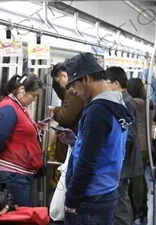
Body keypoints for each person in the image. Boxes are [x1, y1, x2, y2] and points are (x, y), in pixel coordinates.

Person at [58, 52, 133, 225]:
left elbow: (87, 162)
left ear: (87, 79)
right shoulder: (117, 103)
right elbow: (107, 145)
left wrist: (71, 201)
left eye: (75, 85)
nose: (74, 91)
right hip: (108, 190)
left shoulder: (97, 110)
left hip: (91, 197)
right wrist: (77, 141)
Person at [0, 72, 45, 207]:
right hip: (11, 175)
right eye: (34, 95)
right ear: (22, 90)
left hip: (21, 174)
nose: (34, 100)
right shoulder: (8, 108)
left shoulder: (19, 107)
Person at [106, 66, 144, 225]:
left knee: (120, 202)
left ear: (116, 83)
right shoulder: (123, 100)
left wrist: (109, 143)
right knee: (122, 199)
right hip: (123, 160)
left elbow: (129, 133)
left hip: (123, 160)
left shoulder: (125, 102)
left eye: (107, 82)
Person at [49, 62, 86, 187]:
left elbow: (65, 118)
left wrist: (56, 110)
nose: (59, 84)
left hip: (71, 142)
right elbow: (62, 93)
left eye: (59, 80)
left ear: (65, 75)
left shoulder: (73, 92)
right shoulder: (74, 91)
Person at [126, 78, 153, 221]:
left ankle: (138, 207)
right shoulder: (146, 102)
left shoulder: (136, 103)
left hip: (139, 144)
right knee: (141, 176)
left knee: (136, 177)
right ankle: (143, 204)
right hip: (146, 143)